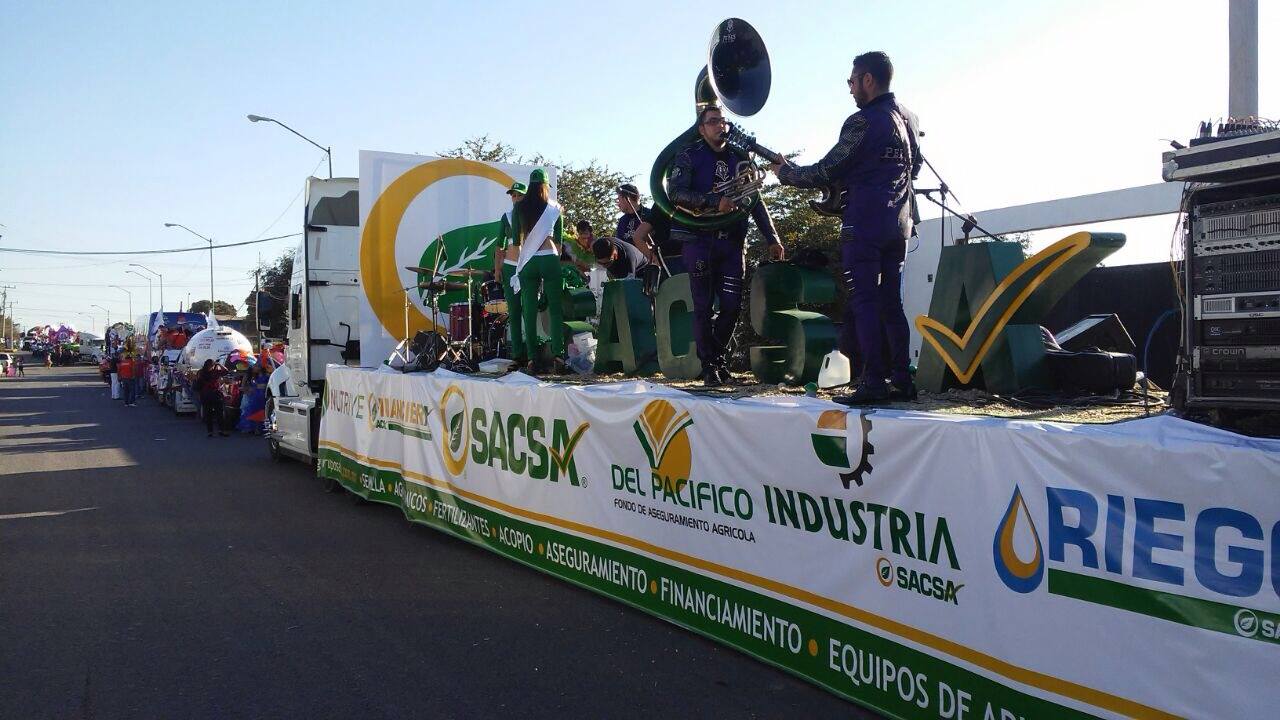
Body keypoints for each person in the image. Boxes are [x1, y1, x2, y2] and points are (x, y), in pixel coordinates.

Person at [770, 51, 921, 404]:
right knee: (891, 303)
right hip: (899, 224)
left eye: (852, 81)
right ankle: (901, 379)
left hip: (864, 224)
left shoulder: (862, 121)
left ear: (868, 80)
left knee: (865, 301)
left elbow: (828, 168)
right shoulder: (909, 119)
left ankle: (873, 383)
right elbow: (913, 172)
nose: (850, 89)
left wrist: (787, 173)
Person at [669, 104, 785, 386]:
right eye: (712, 122)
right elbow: (675, 193)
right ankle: (710, 365)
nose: (719, 126)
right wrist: (712, 202)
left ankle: (716, 357)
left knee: (732, 306)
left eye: (722, 121)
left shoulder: (739, 157)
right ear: (701, 128)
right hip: (699, 240)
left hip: (733, 242)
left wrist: (772, 237)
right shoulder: (689, 155)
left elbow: (754, 199)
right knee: (703, 306)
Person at [510, 168, 567, 373]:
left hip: (529, 261)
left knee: (529, 311)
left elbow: (517, 242)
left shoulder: (519, 207)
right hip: (549, 257)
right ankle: (558, 356)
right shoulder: (555, 208)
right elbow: (559, 243)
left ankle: (533, 359)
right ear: (545, 187)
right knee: (555, 309)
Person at [495, 181, 528, 363]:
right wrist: (497, 270)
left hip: (529, 267)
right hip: (509, 266)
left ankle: (533, 354)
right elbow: (499, 246)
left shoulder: (534, 216)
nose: (515, 198)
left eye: (519, 195)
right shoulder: (506, 217)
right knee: (514, 312)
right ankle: (517, 354)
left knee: (530, 311)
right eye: (513, 195)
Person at [194, 359, 228, 437]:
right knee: (219, 413)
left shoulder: (201, 372)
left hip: (205, 395)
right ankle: (221, 430)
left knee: (208, 414)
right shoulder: (215, 372)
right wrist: (219, 364)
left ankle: (210, 431)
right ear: (212, 366)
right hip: (215, 394)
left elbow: (198, 384)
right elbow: (226, 371)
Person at [614, 183, 651, 248]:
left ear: (627, 198)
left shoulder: (650, 214)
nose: (618, 204)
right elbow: (619, 244)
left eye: (619, 199)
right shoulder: (622, 220)